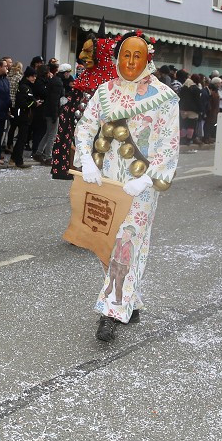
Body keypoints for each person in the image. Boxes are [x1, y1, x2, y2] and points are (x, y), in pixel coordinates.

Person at [75, 31, 180, 342]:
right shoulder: (104, 91)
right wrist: (88, 161)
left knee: (127, 240)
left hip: (141, 185)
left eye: (138, 55)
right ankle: (130, 300)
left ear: (148, 58)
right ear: (117, 58)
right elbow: (85, 127)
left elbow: (169, 145)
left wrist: (147, 179)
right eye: (126, 55)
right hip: (107, 181)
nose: (131, 62)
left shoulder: (164, 97)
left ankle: (112, 309)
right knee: (111, 243)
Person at [51, 27, 118, 180]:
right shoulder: (84, 78)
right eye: (83, 51)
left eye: (88, 51)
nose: (81, 56)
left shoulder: (113, 84)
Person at [11, 66, 40, 168]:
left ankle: (14, 158)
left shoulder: (27, 86)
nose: (34, 78)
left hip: (25, 115)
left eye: (35, 76)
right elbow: (23, 103)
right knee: (22, 139)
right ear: (27, 76)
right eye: (32, 76)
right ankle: (19, 160)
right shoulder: (24, 87)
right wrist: (34, 103)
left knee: (22, 138)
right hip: (23, 116)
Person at [38, 62, 67, 162]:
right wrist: (55, 114)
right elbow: (54, 100)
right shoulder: (58, 83)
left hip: (49, 111)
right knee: (52, 135)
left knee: (48, 133)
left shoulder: (54, 81)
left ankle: (39, 152)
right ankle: (48, 156)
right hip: (53, 112)